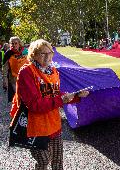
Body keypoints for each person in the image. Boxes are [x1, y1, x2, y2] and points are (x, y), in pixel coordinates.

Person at [10, 39, 90, 169]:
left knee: (58, 162)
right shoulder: (27, 72)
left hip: (53, 125)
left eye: (50, 53)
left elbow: (55, 93)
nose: (48, 56)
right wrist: (62, 100)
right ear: (33, 55)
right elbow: (35, 105)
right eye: (43, 53)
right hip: (35, 128)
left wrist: (75, 96)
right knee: (43, 161)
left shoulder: (52, 71)